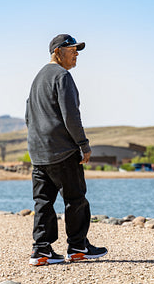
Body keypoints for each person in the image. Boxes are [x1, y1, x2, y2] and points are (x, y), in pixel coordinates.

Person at [26, 34, 107, 266]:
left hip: (39, 153)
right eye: (72, 49)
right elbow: (71, 115)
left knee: (43, 202)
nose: (76, 53)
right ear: (57, 52)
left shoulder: (38, 78)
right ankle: (78, 247)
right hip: (62, 152)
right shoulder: (62, 76)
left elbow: (28, 115)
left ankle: (41, 251)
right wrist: (83, 144)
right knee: (75, 199)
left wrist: (37, 144)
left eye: (77, 49)